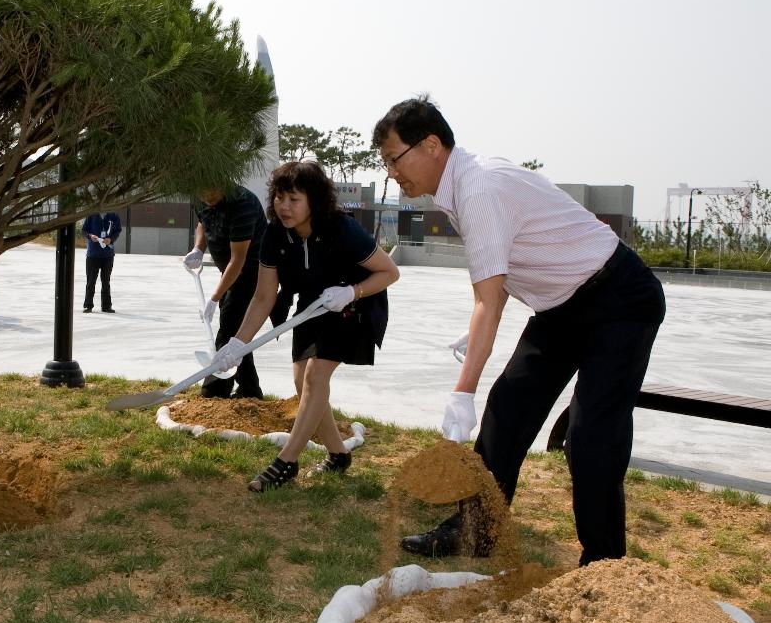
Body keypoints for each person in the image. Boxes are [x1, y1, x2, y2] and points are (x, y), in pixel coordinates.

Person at [372, 96, 665, 565]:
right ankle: (475, 530)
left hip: (619, 300)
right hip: (562, 309)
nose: (391, 172)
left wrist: (462, 391)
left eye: (393, 158)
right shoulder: (462, 186)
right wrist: (476, 337)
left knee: (591, 433)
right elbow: (495, 285)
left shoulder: (478, 189)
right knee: (508, 409)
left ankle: (604, 563)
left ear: (430, 145)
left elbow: (490, 300)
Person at [209, 161, 399, 491]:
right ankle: (339, 454)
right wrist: (238, 343)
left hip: (352, 306)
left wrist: (351, 291)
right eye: (279, 197)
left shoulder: (342, 229)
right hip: (310, 308)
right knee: (302, 382)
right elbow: (263, 296)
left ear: (314, 199)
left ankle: (286, 462)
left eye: (294, 199)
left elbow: (389, 272)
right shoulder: (274, 234)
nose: (284, 206)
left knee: (315, 376)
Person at [184, 184, 269, 399]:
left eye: (212, 191)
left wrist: (214, 299)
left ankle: (213, 393)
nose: (207, 196)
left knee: (228, 332)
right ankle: (250, 391)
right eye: (202, 193)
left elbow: (238, 260)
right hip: (229, 273)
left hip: (253, 273)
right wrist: (198, 249)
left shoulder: (242, 204)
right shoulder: (200, 196)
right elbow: (203, 222)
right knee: (237, 334)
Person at [81, 210, 121, 313]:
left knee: (106, 281)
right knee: (91, 281)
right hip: (92, 255)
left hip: (108, 255)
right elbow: (84, 230)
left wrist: (111, 239)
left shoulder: (114, 215)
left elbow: (118, 230)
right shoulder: (91, 215)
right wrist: (90, 236)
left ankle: (106, 306)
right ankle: (88, 305)